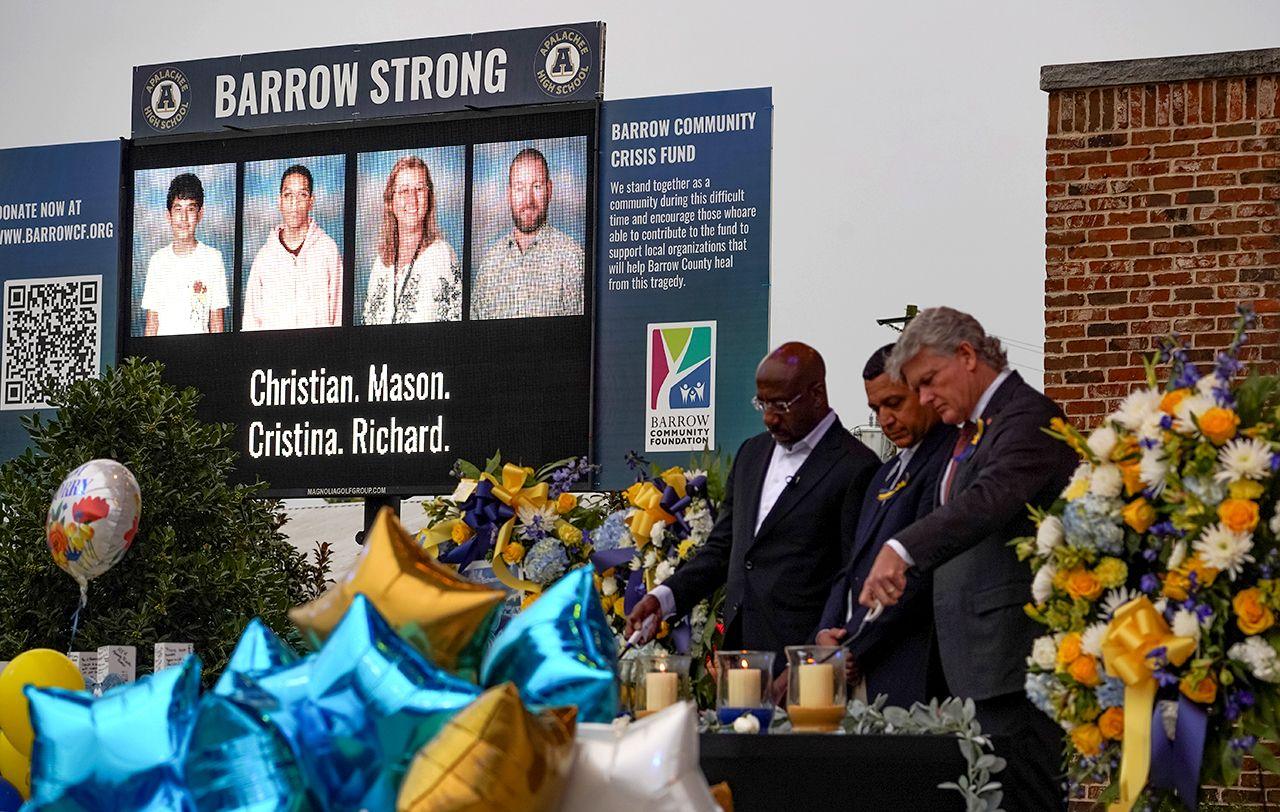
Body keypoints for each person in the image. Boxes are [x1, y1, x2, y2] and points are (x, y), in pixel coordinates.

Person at [860, 307, 1077, 812]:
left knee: (1027, 799)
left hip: (1014, 662)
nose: (925, 398)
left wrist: (901, 548)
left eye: (930, 381)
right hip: (971, 666)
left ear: (967, 355)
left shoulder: (1028, 417)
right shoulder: (976, 428)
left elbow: (988, 500)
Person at [625, 342, 880, 671]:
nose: (769, 418)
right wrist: (663, 599)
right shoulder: (751, 454)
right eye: (762, 404)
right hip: (740, 655)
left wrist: (813, 657)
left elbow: (852, 576)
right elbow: (723, 548)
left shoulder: (856, 467)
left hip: (808, 666)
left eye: (781, 405)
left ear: (817, 394)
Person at [807, 343, 954, 707]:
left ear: (924, 392)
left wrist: (855, 646)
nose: (884, 419)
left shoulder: (950, 463)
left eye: (894, 403)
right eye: (875, 408)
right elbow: (853, 566)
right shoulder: (882, 474)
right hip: (852, 667)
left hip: (909, 665)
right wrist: (825, 632)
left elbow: (919, 572)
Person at [471, 147, 584, 320]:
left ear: (549, 190)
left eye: (536, 186)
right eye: (519, 188)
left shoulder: (572, 258)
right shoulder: (489, 265)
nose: (528, 200)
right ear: (509, 194)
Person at [242, 164, 342, 331]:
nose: (294, 203)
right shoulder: (264, 257)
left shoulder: (328, 250)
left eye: (302, 195)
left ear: (311, 201)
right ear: (279, 201)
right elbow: (251, 321)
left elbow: (339, 314)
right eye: (288, 195)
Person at [362, 155, 460, 325]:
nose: (412, 199)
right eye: (404, 190)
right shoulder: (380, 264)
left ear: (429, 198)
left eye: (420, 189)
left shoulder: (442, 255)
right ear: (390, 202)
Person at [141, 173, 228, 336]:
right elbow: (152, 322)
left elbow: (217, 321)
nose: (184, 218)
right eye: (178, 209)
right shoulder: (157, 261)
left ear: (200, 214)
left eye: (191, 209)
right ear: (169, 215)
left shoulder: (213, 258)